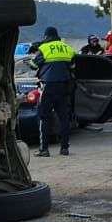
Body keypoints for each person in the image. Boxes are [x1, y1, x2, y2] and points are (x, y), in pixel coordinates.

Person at [32, 26, 75, 157]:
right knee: (63, 117)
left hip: (48, 86)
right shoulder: (67, 48)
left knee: (44, 117)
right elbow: (72, 66)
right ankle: (64, 148)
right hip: (64, 86)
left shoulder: (44, 48)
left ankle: (44, 149)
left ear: (46, 36)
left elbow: (34, 65)